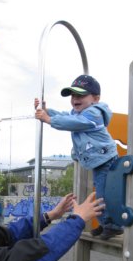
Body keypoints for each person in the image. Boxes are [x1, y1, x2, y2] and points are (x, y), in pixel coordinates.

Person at [35, 74, 124, 240]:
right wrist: (47, 110)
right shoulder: (79, 113)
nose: (75, 99)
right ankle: (106, 223)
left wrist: (48, 119)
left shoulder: (93, 114)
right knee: (101, 193)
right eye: (73, 95)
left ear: (95, 98)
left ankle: (113, 225)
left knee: (104, 193)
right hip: (98, 161)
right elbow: (65, 115)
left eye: (80, 95)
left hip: (106, 159)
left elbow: (72, 123)